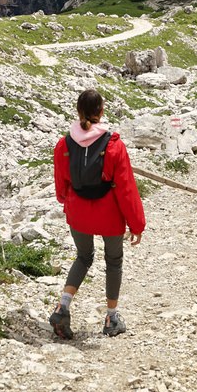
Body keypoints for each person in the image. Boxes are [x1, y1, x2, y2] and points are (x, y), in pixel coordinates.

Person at [49, 89, 145, 339]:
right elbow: (126, 189)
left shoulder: (64, 143)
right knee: (113, 262)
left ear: (78, 111)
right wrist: (137, 224)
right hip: (109, 214)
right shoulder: (114, 145)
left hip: (78, 212)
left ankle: (63, 306)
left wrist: (67, 201)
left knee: (83, 257)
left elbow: (61, 185)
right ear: (101, 112)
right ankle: (111, 318)